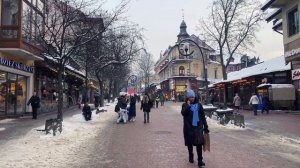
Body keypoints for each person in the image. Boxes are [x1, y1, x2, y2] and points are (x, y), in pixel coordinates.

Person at [181, 90, 209, 167]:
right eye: (190, 97)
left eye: (193, 97)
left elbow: (203, 116)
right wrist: (188, 106)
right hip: (188, 127)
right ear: (188, 98)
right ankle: (191, 156)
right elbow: (183, 113)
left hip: (198, 128)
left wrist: (205, 126)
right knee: (190, 144)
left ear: (195, 97)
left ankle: (200, 160)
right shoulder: (185, 105)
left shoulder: (199, 105)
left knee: (199, 144)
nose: (192, 98)